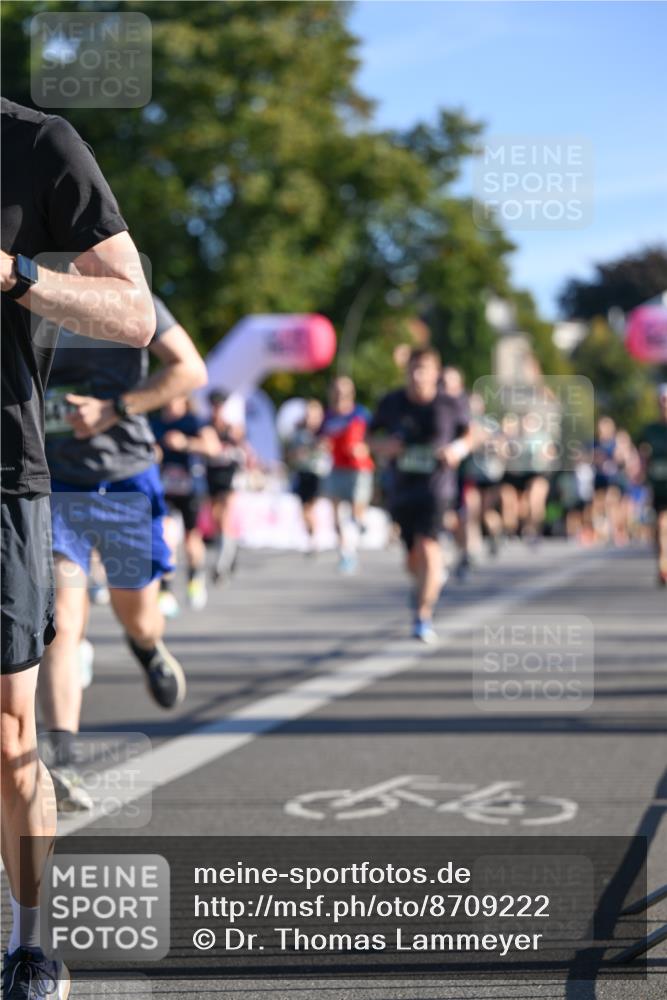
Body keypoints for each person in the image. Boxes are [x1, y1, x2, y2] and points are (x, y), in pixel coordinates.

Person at [1, 98, 154, 999]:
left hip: (2, 475)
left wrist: (17, 275)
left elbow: (133, 313)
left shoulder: (37, 145)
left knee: (8, 733)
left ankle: (30, 943)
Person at [38, 296, 207, 814]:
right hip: (54, 483)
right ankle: (63, 761)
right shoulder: (20, 291)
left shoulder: (129, 293)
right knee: (64, 623)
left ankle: (146, 646)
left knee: (140, 616)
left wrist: (115, 409)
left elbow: (189, 369)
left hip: (125, 481)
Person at [371, 348, 471, 643]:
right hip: (402, 489)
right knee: (412, 559)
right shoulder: (391, 403)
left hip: (437, 489)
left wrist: (457, 450)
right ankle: (428, 579)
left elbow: (472, 434)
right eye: (413, 369)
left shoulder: (449, 404)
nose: (417, 376)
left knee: (428, 545)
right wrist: (384, 446)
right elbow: (368, 437)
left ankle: (422, 615)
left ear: (435, 373)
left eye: (424, 369)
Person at [152, 396, 220, 613]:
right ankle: (165, 590)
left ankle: (194, 579)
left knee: (192, 537)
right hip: (164, 488)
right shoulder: (154, 422)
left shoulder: (194, 421)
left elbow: (213, 448)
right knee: (166, 536)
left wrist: (185, 443)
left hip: (191, 488)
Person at [320, 376, 375, 574]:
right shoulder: (328, 417)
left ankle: (358, 528)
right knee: (337, 515)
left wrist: (365, 447)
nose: (340, 394)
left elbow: (374, 437)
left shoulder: (361, 413)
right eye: (336, 390)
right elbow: (321, 439)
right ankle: (346, 553)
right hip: (337, 469)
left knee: (355, 512)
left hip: (359, 468)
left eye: (344, 390)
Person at [206, 390, 246, 584]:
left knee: (224, 518)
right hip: (212, 475)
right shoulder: (206, 427)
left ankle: (221, 566)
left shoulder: (232, 428)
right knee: (216, 518)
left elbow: (242, 448)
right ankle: (229, 550)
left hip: (229, 474)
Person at [285, 399, 329, 553]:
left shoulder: (325, 431)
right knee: (304, 507)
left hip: (319, 473)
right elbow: (290, 454)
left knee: (313, 505)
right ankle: (311, 535)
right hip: (303, 472)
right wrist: (299, 453)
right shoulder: (299, 433)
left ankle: (316, 536)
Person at [638, 385, 667, 586]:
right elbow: (642, 455)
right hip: (658, 484)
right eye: (663, 401)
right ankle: (662, 563)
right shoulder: (650, 430)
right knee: (660, 525)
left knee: (665, 524)